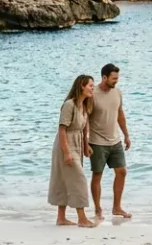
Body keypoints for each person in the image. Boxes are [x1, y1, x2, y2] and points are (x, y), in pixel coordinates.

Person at [49, 75, 97, 227]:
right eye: (90, 85)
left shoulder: (84, 105)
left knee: (65, 180)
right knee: (79, 179)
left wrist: (85, 145)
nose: (92, 88)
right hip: (65, 144)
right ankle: (82, 218)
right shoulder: (69, 105)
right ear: (81, 86)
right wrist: (67, 152)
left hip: (76, 143)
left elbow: (84, 128)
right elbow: (62, 129)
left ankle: (61, 218)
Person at [89, 63, 132, 220]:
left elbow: (120, 114)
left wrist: (126, 135)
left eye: (118, 78)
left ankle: (117, 208)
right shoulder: (92, 94)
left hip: (115, 141)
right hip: (97, 141)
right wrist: (85, 141)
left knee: (122, 172)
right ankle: (98, 209)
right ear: (104, 77)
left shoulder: (117, 93)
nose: (116, 81)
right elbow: (85, 118)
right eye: (114, 79)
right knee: (97, 174)